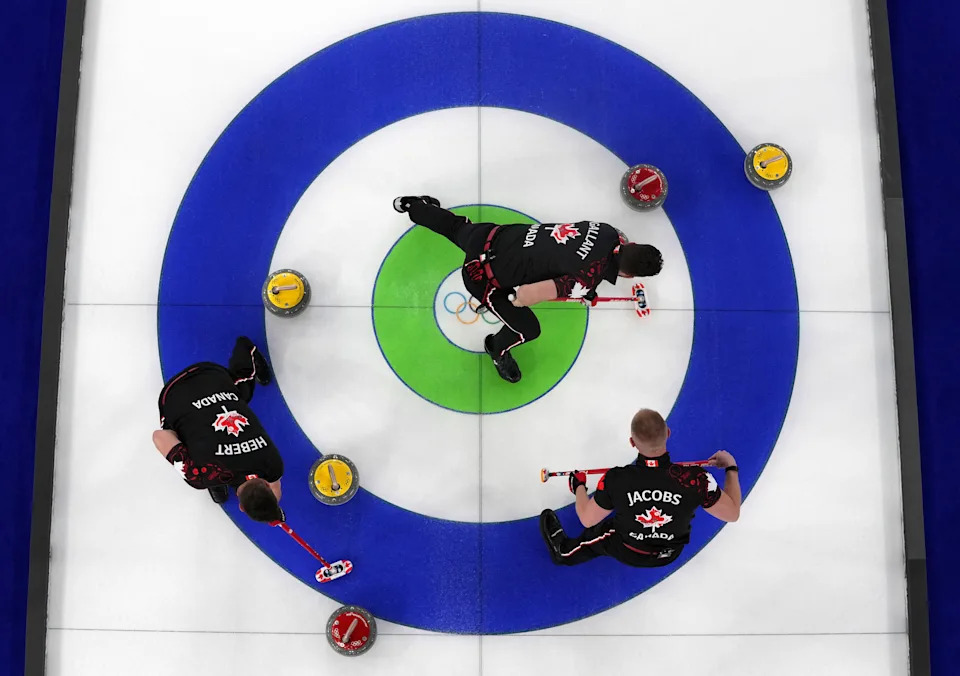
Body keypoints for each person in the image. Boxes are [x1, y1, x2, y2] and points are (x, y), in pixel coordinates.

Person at [393, 195, 663, 383]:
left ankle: (413, 206)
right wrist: (576, 290)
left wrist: (580, 286)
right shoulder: (582, 281)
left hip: (493, 237)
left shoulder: (607, 231)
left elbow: (576, 254)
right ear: (628, 274)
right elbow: (524, 296)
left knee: (456, 227)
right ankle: (496, 350)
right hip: (482, 276)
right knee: (528, 329)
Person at [539, 408, 741, 567]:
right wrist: (731, 468)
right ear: (668, 433)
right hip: (670, 552)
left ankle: (563, 553)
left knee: (598, 534)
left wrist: (579, 487)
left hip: (630, 549)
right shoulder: (696, 479)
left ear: (632, 443)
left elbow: (586, 519)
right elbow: (732, 514)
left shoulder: (617, 479)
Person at [151, 336, 285, 523]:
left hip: (214, 379)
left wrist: (273, 510)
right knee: (180, 444)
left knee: (242, 393)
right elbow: (160, 436)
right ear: (241, 506)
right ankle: (247, 349)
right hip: (178, 392)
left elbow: (275, 484)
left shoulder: (274, 464)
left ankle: (218, 480)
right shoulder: (198, 475)